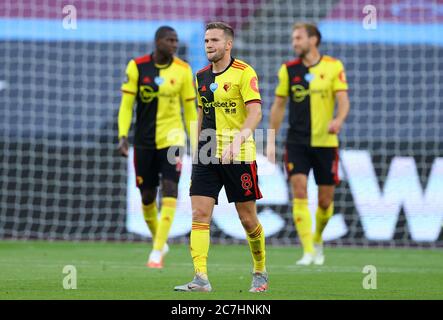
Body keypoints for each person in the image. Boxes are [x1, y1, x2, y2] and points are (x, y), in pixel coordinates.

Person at [174, 22, 268, 293]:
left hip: (238, 155)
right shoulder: (200, 76)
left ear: (228, 44)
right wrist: (196, 146)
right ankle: (200, 277)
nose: (209, 45)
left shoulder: (244, 72)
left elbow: (255, 113)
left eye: (214, 40)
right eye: (206, 41)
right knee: (199, 213)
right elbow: (201, 112)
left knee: (247, 219)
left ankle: (260, 271)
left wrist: (236, 141)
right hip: (206, 154)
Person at [267, 22, 350, 265]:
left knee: (325, 201)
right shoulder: (288, 70)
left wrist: (339, 119)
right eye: (293, 39)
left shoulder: (334, 66)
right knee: (299, 191)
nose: (294, 43)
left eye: (298, 38)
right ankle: (308, 251)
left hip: (326, 142)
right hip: (296, 143)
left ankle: (317, 238)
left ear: (313, 40)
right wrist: (271, 139)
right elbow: (278, 106)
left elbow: (343, 100)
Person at [117, 26, 197, 269]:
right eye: (170, 40)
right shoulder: (137, 66)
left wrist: (195, 140)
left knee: (170, 188)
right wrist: (122, 135)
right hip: (143, 141)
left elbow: (190, 109)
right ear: (157, 41)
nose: (174, 44)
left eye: (176, 40)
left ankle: (156, 253)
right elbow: (126, 105)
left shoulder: (183, 69)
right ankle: (159, 241)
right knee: (148, 196)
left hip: (173, 139)